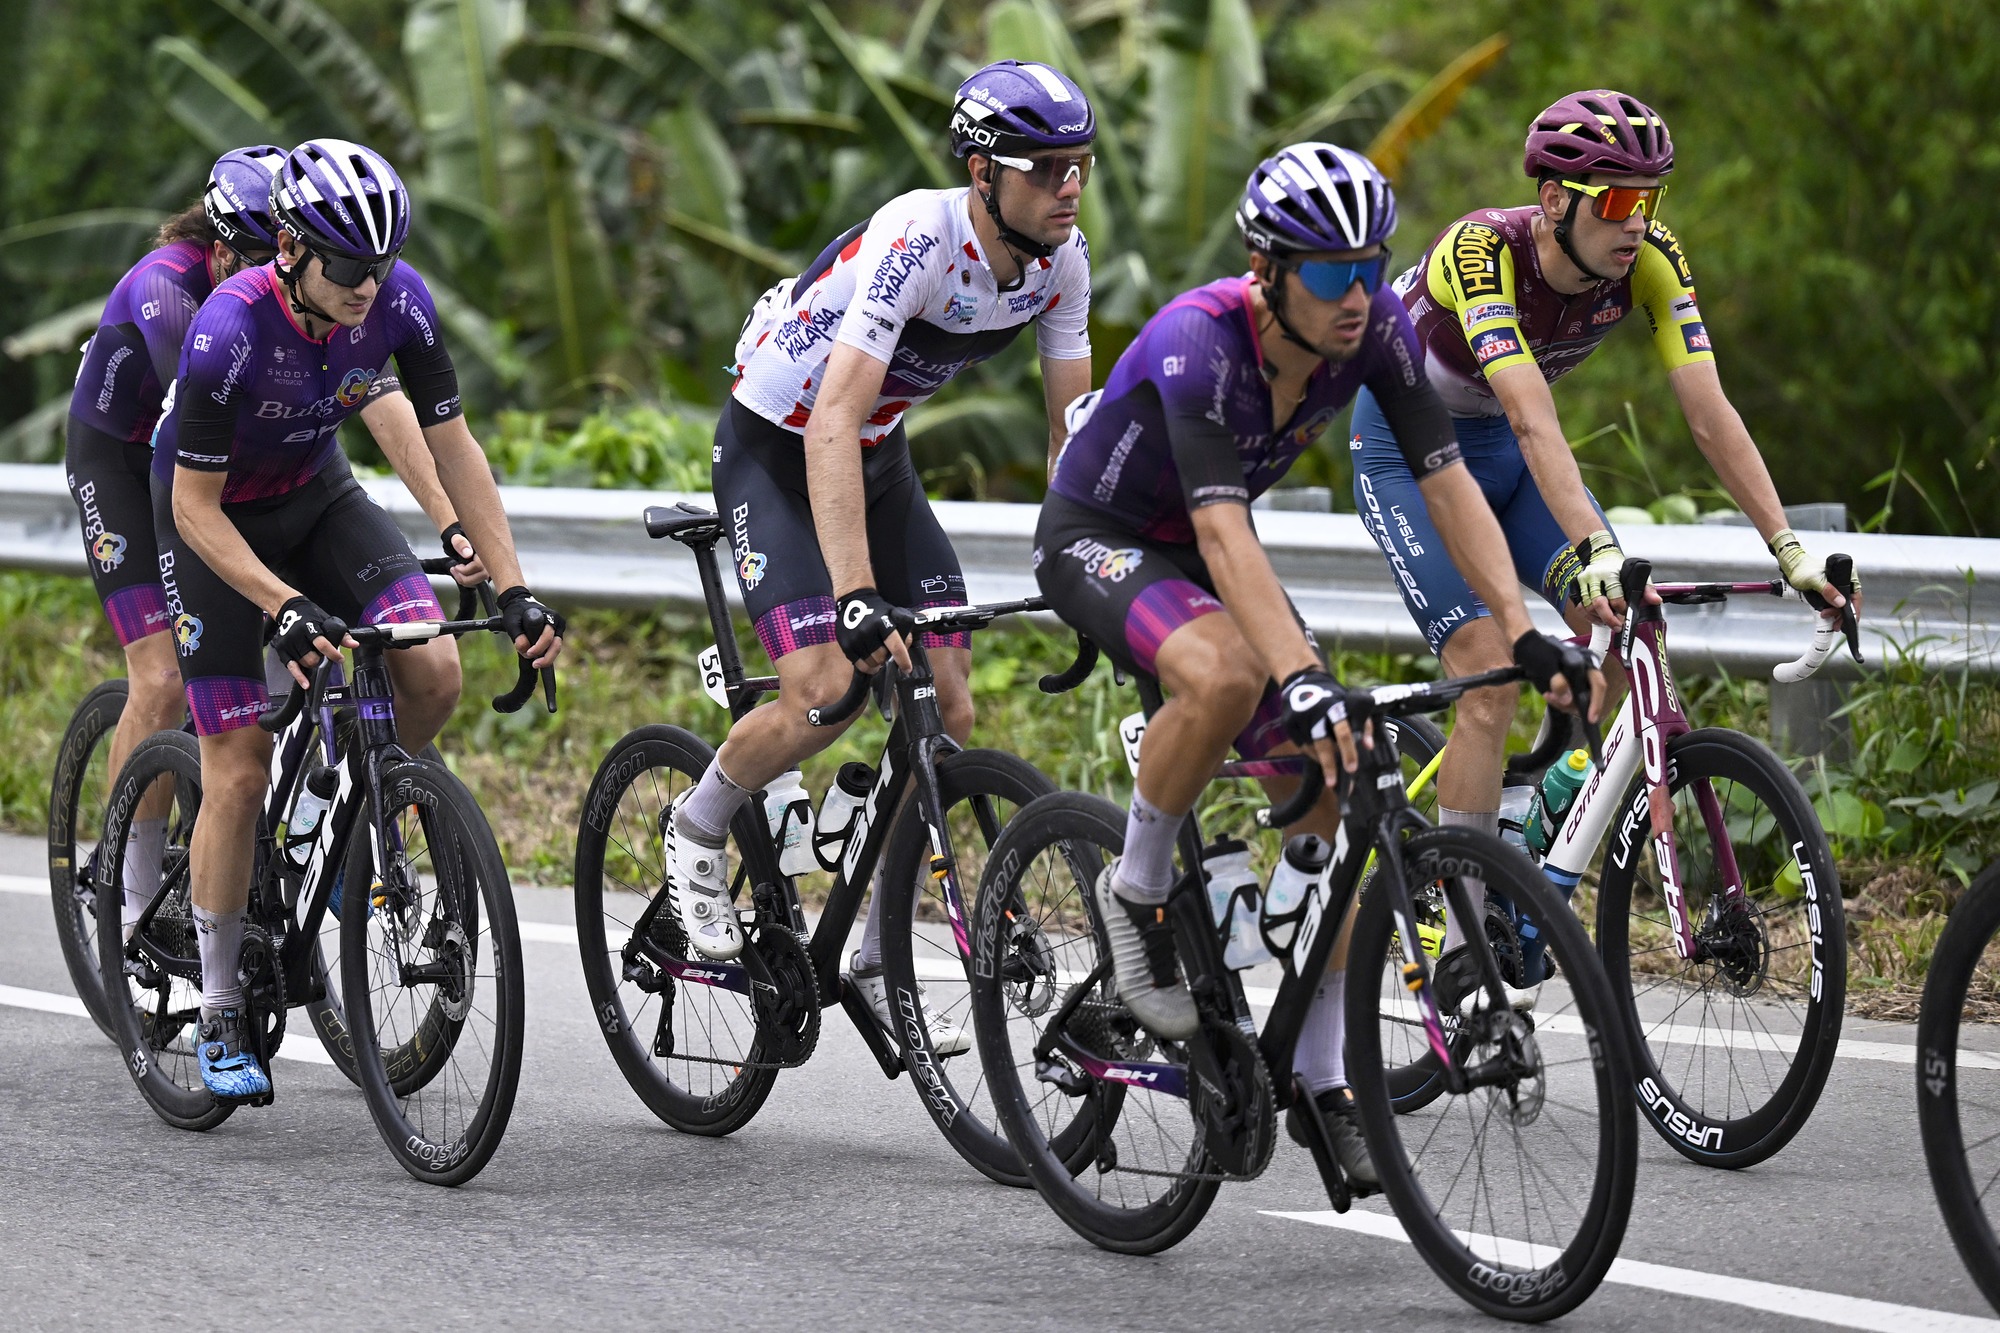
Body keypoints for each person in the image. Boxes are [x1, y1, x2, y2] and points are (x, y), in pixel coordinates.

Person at [1037, 142, 1598, 1188]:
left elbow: (1445, 481)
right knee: (1228, 676)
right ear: (1268, 269)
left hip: (1211, 549)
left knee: (1342, 772)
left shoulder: (1376, 327)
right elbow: (1219, 535)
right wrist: (1295, 670)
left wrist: (1519, 630)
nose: (1359, 294)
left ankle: (1316, 1073)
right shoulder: (1196, 342)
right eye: (1333, 273)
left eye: (1370, 264)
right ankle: (1135, 885)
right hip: (1105, 534)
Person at [1353, 88, 1857, 979]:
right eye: (1619, 199)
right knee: (1487, 673)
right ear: (1556, 200)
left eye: (1651, 197)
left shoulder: (1650, 260)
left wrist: (1789, 547)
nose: (1638, 222)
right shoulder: (1483, 253)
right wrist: (1597, 547)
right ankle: (1462, 932)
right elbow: (1534, 415)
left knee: (1630, 634)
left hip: (1506, 461)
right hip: (1408, 455)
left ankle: (1538, 812)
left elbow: (1709, 414)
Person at [663, 60, 1096, 1055]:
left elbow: (1068, 435)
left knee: (948, 702)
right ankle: (695, 826)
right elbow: (830, 420)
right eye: (1046, 168)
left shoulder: (1061, 263)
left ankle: (874, 943)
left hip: (874, 450)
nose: (1068, 186)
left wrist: (1086, 568)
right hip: (779, 440)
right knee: (826, 688)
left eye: (1080, 165)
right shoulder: (915, 238)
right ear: (984, 173)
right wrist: (855, 595)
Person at [150, 138, 563, 1102]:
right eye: (345, 267)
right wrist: (284, 607)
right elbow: (193, 510)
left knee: (431, 668)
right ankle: (217, 1006)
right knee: (239, 767)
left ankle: (345, 823)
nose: (366, 287)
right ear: (288, 248)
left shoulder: (399, 300)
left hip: (316, 496)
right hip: (213, 521)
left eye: (380, 266)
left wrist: (512, 587)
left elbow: (456, 450)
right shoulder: (227, 329)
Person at [64, 145, 484, 951]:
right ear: (222, 248)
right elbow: (195, 491)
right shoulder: (174, 297)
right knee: (158, 679)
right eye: (252, 259)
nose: (266, 279)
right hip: (131, 465)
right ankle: (128, 889)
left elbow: (376, 393)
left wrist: (446, 517)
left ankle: (314, 830)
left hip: (263, 470)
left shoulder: (316, 293)